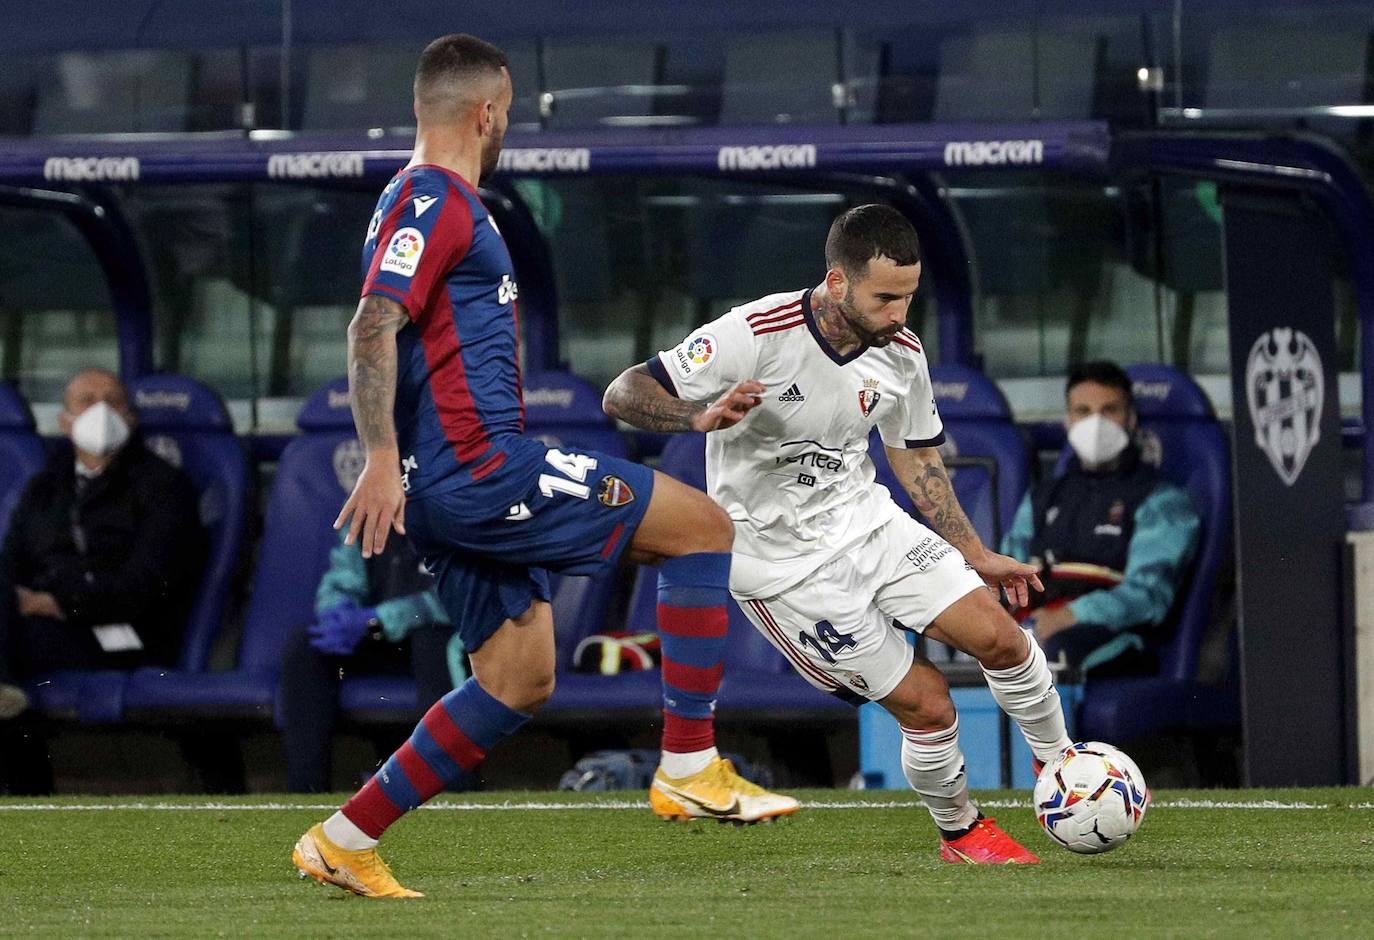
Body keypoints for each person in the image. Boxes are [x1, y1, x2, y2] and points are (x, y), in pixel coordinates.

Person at [291, 34, 796, 900]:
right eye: (509, 115)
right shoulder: (432, 199)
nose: (506, 129)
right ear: (486, 112)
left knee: (519, 678)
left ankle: (344, 839)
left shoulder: (407, 202)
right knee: (703, 529)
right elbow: (372, 323)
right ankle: (688, 765)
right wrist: (379, 455)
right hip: (483, 468)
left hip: (448, 484)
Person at [603, 204, 1073, 864]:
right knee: (932, 705)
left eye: (909, 297)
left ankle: (1067, 774)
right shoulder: (755, 334)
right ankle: (961, 832)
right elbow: (622, 395)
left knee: (1001, 638)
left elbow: (915, 454)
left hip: (870, 525)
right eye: (886, 298)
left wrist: (975, 552)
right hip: (783, 571)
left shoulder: (901, 353)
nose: (900, 314)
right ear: (837, 281)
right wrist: (698, 413)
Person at [0, 368, 205, 794]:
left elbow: (145, 585)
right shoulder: (46, 487)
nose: (100, 411)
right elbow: (11, 565)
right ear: (64, 421)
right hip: (35, 628)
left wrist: (54, 603)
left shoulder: (163, 486)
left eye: (112, 401)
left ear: (131, 418)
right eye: (86, 401)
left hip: (124, 637)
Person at [1001, 361, 1201, 676]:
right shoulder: (1042, 497)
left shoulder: (1161, 501)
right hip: (1032, 626)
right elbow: (1006, 571)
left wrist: (1071, 615)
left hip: (1112, 638)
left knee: (1047, 657)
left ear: (1131, 421)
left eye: (1110, 410)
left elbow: (1148, 596)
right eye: (1083, 411)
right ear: (1068, 422)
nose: (1096, 422)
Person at [278, 529, 465, 793]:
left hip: (450, 639)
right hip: (382, 636)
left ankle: (455, 794)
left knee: (432, 641)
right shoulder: (368, 504)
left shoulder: (457, 502)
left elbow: (459, 598)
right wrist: (338, 611)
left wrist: (380, 619)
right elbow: (341, 579)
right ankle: (305, 795)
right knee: (308, 645)